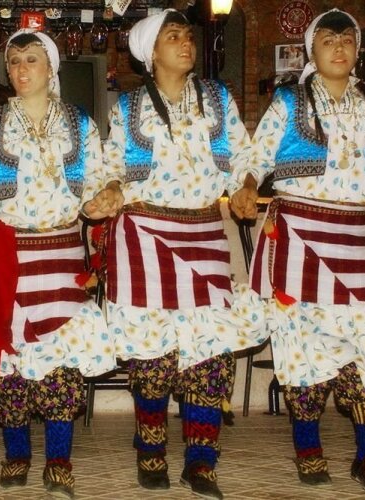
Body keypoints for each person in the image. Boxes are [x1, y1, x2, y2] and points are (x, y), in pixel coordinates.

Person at [244, 9, 365, 500]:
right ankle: (308, 451)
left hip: (354, 240)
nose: (339, 47)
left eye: (347, 39)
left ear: (358, 50)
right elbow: (256, 158)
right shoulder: (289, 100)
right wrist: (246, 185)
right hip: (300, 237)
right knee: (302, 346)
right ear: (311, 50)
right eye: (328, 39)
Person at [83, 9, 267, 499]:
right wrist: (110, 190)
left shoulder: (218, 99)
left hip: (203, 233)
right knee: (152, 356)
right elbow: (111, 164)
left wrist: (247, 185)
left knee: (210, 353)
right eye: (173, 36)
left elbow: (244, 157)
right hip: (143, 237)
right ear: (151, 54)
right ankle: (151, 449)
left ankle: (202, 461)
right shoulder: (129, 107)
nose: (186, 43)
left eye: (188, 35)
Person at [0, 29, 115, 499]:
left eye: (31, 59)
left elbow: (97, 178)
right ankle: (17, 453)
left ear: (51, 67)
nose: (21, 69)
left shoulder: (80, 124)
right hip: (8, 253)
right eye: (15, 61)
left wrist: (103, 196)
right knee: (10, 359)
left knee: (61, 362)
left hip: (61, 253)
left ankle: (59, 461)